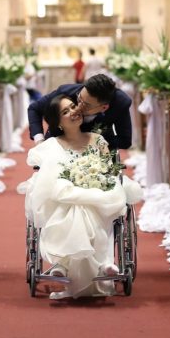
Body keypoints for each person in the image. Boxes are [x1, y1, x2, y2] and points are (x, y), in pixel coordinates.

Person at [19, 95, 141, 300]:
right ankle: (95, 263)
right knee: (77, 205)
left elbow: (108, 170)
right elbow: (47, 177)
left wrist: (94, 181)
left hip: (97, 191)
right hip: (64, 195)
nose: (73, 112)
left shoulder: (98, 139)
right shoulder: (52, 145)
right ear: (58, 122)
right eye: (65, 112)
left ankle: (66, 265)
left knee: (88, 203)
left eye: (73, 107)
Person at [28, 73, 132, 150]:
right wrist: (39, 141)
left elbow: (125, 141)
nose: (78, 106)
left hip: (98, 153)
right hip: (58, 143)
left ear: (103, 108)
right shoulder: (66, 91)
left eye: (86, 105)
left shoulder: (120, 103)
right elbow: (34, 109)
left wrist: (98, 142)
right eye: (79, 98)